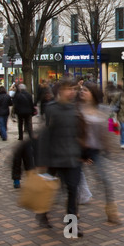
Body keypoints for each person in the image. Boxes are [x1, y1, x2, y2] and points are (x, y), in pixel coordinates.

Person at [37, 78, 85, 236]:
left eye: (74, 89)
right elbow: (45, 135)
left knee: (72, 191)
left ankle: (71, 226)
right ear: (60, 91)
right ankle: (42, 213)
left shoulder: (77, 109)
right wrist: (42, 161)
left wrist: (84, 154)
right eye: (68, 89)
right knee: (48, 190)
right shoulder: (51, 109)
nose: (72, 92)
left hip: (72, 158)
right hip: (54, 158)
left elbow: (81, 134)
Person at [78, 81, 121, 224]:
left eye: (85, 90)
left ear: (93, 93)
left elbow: (111, 128)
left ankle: (112, 212)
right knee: (72, 182)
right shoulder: (77, 109)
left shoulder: (102, 109)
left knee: (105, 180)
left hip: (95, 151)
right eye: (81, 90)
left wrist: (112, 146)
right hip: (78, 151)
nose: (82, 92)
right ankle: (72, 210)